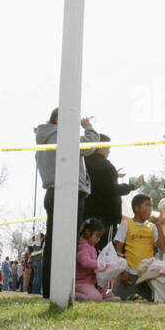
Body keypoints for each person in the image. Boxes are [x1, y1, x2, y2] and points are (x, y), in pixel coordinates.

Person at [34, 110, 100, 299]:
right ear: (58, 119)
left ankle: (49, 289)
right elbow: (89, 146)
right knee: (68, 242)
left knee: (53, 241)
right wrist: (88, 127)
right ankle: (63, 290)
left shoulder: (45, 136)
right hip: (67, 191)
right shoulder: (60, 135)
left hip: (53, 190)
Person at [86, 133, 141, 250]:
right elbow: (112, 190)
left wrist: (113, 175)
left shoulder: (83, 163)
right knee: (105, 251)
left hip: (87, 215)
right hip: (105, 218)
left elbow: (99, 185)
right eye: (108, 147)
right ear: (100, 146)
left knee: (88, 250)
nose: (109, 151)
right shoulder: (106, 166)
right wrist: (131, 186)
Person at [112, 193, 165, 301]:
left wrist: (159, 225)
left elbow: (162, 246)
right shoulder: (126, 223)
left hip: (146, 276)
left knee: (148, 302)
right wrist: (123, 271)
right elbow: (118, 249)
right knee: (118, 299)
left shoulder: (152, 227)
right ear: (137, 208)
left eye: (151, 205)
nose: (150, 209)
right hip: (129, 274)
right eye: (147, 205)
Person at [74, 217, 108, 301]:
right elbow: (85, 262)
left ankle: (105, 294)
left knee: (105, 280)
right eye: (97, 236)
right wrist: (99, 264)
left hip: (90, 281)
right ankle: (74, 295)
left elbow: (94, 257)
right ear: (88, 232)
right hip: (81, 282)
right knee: (96, 298)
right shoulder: (82, 246)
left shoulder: (91, 246)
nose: (99, 239)